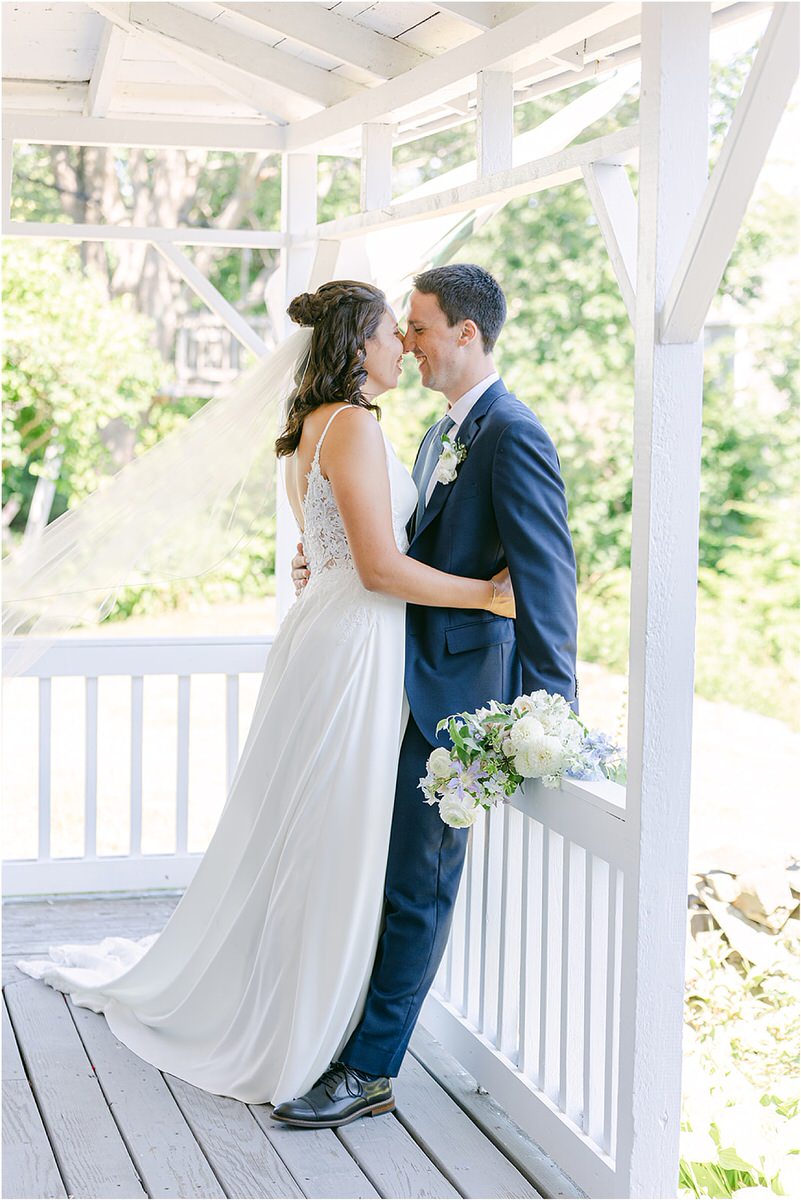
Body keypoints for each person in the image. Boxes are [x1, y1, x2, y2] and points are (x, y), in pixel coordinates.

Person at [14, 279, 515, 1113]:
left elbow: (332, 551)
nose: (405, 346)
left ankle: (311, 1006)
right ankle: (297, 1022)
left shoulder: (315, 427)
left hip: (336, 630)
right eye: (394, 333)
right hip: (355, 642)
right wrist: (490, 597)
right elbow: (381, 569)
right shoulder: (350, 425)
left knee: (307, 824)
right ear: (359, 347)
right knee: (328, 831)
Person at [277, 263, 578, 1128]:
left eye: (417, 326)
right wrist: (326, 561)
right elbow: (395, 546)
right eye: (399, 327)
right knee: (374, 868)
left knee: (418, 882)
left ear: (465, 334)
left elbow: (544, 583)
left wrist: (543, 710)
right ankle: (340, 1032)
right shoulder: (430, 432)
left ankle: (369, 1070)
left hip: (461, 700)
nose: (405, 341)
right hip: (388, 676)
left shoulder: (512, 432)